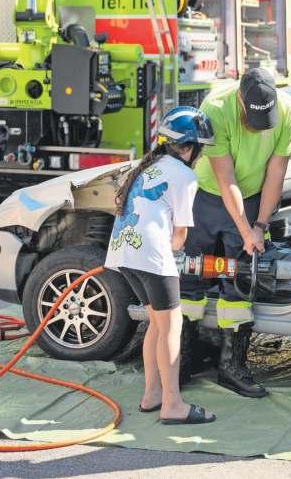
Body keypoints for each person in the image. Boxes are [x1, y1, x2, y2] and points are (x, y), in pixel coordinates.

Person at [180, 67, 291, 397]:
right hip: (206, 197)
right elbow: (225, 177)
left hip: (251, 199)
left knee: (240, 280)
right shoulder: (216, 108)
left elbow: (276, 171)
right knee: (190, 277)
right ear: (240, 99)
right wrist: (245, 229)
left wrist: (259, 226)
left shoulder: (289, 111)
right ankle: (181, 360)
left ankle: (231, 367)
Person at [107, 106, 217, 424]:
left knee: (156, 324)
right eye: (199, 148)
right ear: (188, 147)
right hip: (151, 256)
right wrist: (175, 257)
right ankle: (173, 405)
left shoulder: (148, 167)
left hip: (123, 253)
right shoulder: (184, 175)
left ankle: (152, 394)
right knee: (171, 326)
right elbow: (179, 236)